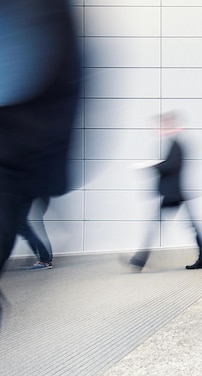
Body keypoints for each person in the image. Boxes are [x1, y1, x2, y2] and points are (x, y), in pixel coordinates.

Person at [0, 0, 81, 327]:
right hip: (27, 160)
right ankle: (45, 257)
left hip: (21, 156)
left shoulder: (37, 12)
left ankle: (45, 259)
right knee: (21, 223)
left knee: (20, 223)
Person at [129, 112, 202, 271]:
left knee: (158, 225)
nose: (161, 128)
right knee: (190, 226)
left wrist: (151, 166)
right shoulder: (175, 144)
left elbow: (172, 165)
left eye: (164, 125)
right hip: (176, 193)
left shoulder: (176, 145)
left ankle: (139, 260)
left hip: (174, 193)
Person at [17, 197, 54, 270]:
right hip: (36, 196)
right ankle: (46, 259)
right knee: (27, 227)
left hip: (35, 196)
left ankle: (45, 260)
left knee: (32, 228)